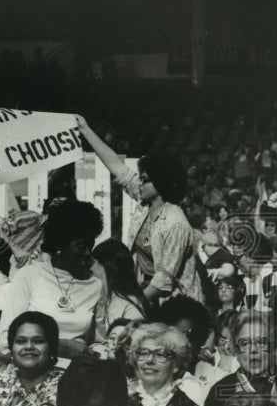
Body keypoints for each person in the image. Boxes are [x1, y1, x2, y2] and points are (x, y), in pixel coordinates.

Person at [76, 115, 201, 303]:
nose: (139, 182)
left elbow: (164, 281)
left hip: (177, 301)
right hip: (147, 292)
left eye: (144, 179)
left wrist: (133, 304)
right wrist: (85, 130)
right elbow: (118, 167)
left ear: (161, 183)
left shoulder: (176, 224)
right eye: (140, 178)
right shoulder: (146, 202)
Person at [0, 199, 105, 358]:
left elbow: (97, 340)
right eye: (82, 246)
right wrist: (60, 347)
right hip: (32, 373)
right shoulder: (28, 277)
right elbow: (6, 342)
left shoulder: (95, 285)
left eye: (91, 246)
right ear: (60, 244)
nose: (88, 253)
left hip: (79, 375)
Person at [203, 311, 274, 406]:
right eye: (245, 343)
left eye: (261, 342)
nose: (254, 350)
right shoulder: (219, 391)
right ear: (235, 350)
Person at [91, 238, 148, 341]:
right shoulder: (101, 297)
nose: (89, 269)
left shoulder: (131, 305)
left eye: (93, 263)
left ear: (107, 266)